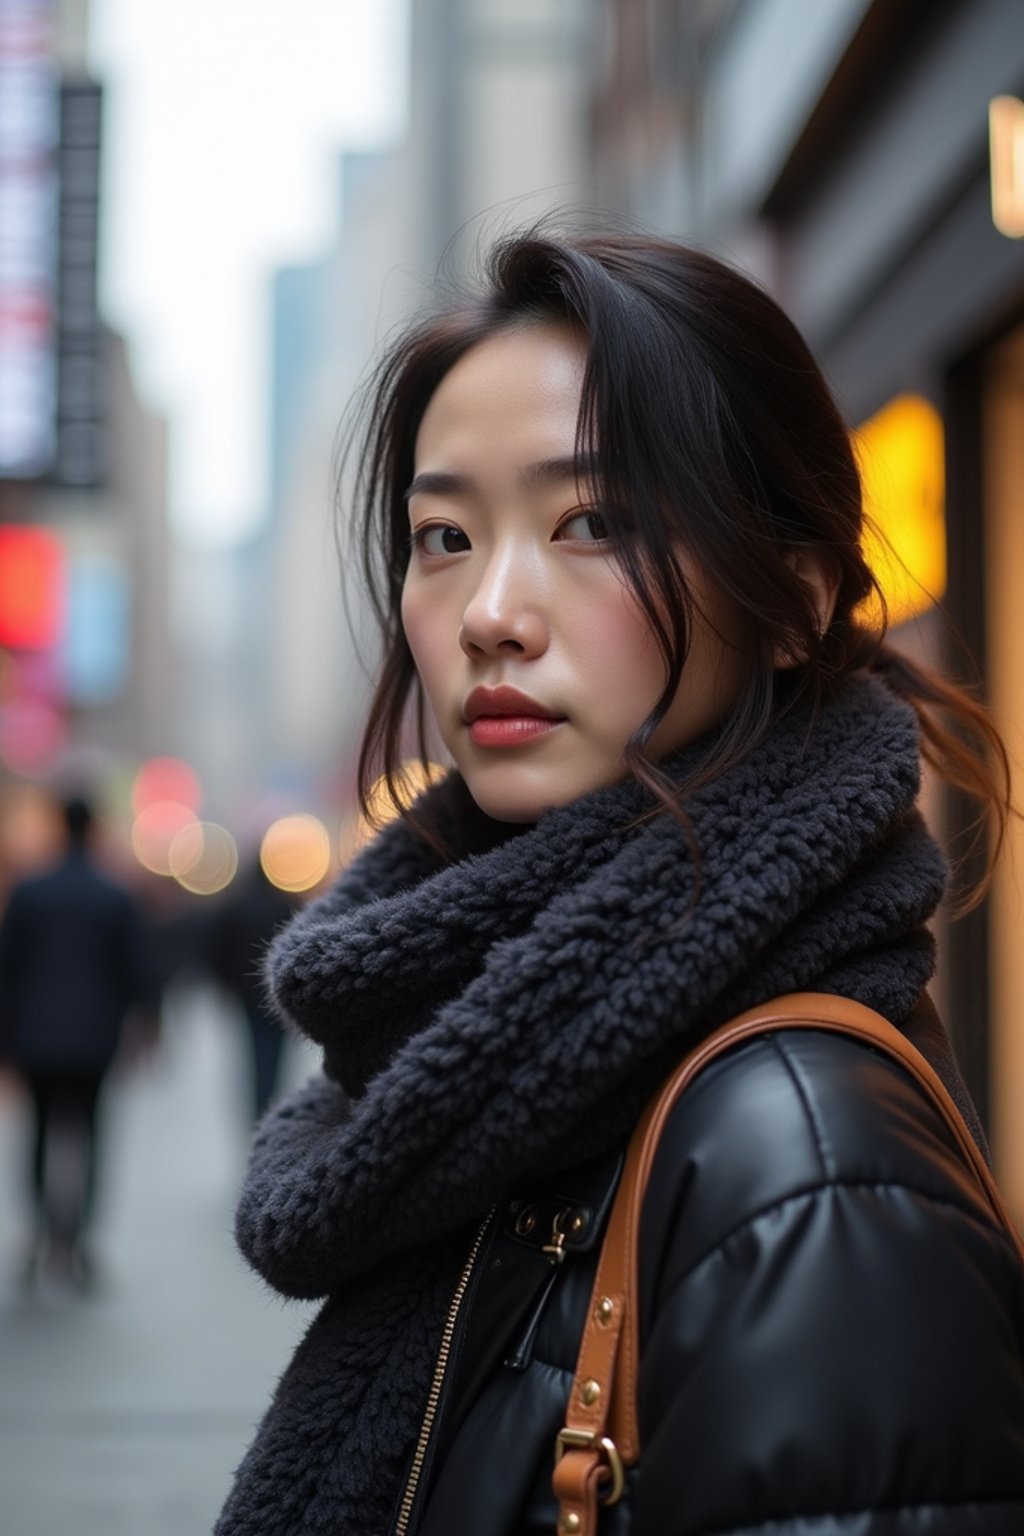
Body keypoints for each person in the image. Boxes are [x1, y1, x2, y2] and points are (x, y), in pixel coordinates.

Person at [215, 233, 1024, 1535]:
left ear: (791, 600)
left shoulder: (803, 1159)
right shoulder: (509, 1084)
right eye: (442, 535)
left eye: (590, 521)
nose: (489, 611)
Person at [0, 794, 144, 1289]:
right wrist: (142, 1029)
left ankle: (41, 1235)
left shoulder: (30, 891)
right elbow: (133, 972)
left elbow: (7, 969)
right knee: (91, 1135)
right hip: (94, 1037)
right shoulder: (113, 893)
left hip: (36, 1037)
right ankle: (78, 1243)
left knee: (39, 1134)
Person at [204, 856, 299, 1120]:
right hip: (276, 990)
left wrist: (225, 984)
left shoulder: (234, 907)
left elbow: (217, 950)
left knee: (253, 1046)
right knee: (274, 1049)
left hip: (245, 993)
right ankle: (271, 1101)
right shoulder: (283, 905)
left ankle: (258, 1104)